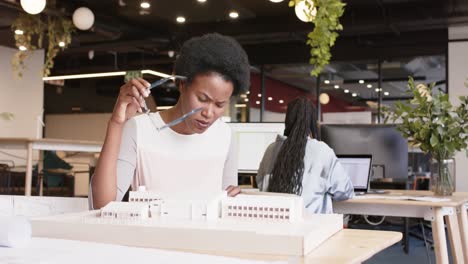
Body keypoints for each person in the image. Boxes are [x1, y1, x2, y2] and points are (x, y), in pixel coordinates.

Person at [90, 33, 250, 209]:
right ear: (181, 84)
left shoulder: (225, 136)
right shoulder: (139, 129)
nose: (209, 113)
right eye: (202, 99)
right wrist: (116, 123)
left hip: (204, 236)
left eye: (220, 104)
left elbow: (225, 205)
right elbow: (101, 206)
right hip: (149, 236)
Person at [256, 97, 354, 214]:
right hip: (314, 228)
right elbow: (345, 191)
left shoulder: (271, 149)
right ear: (312, 122)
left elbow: (260, 184)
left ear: (287, 120)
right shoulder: (322, 150)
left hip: (276, 226)